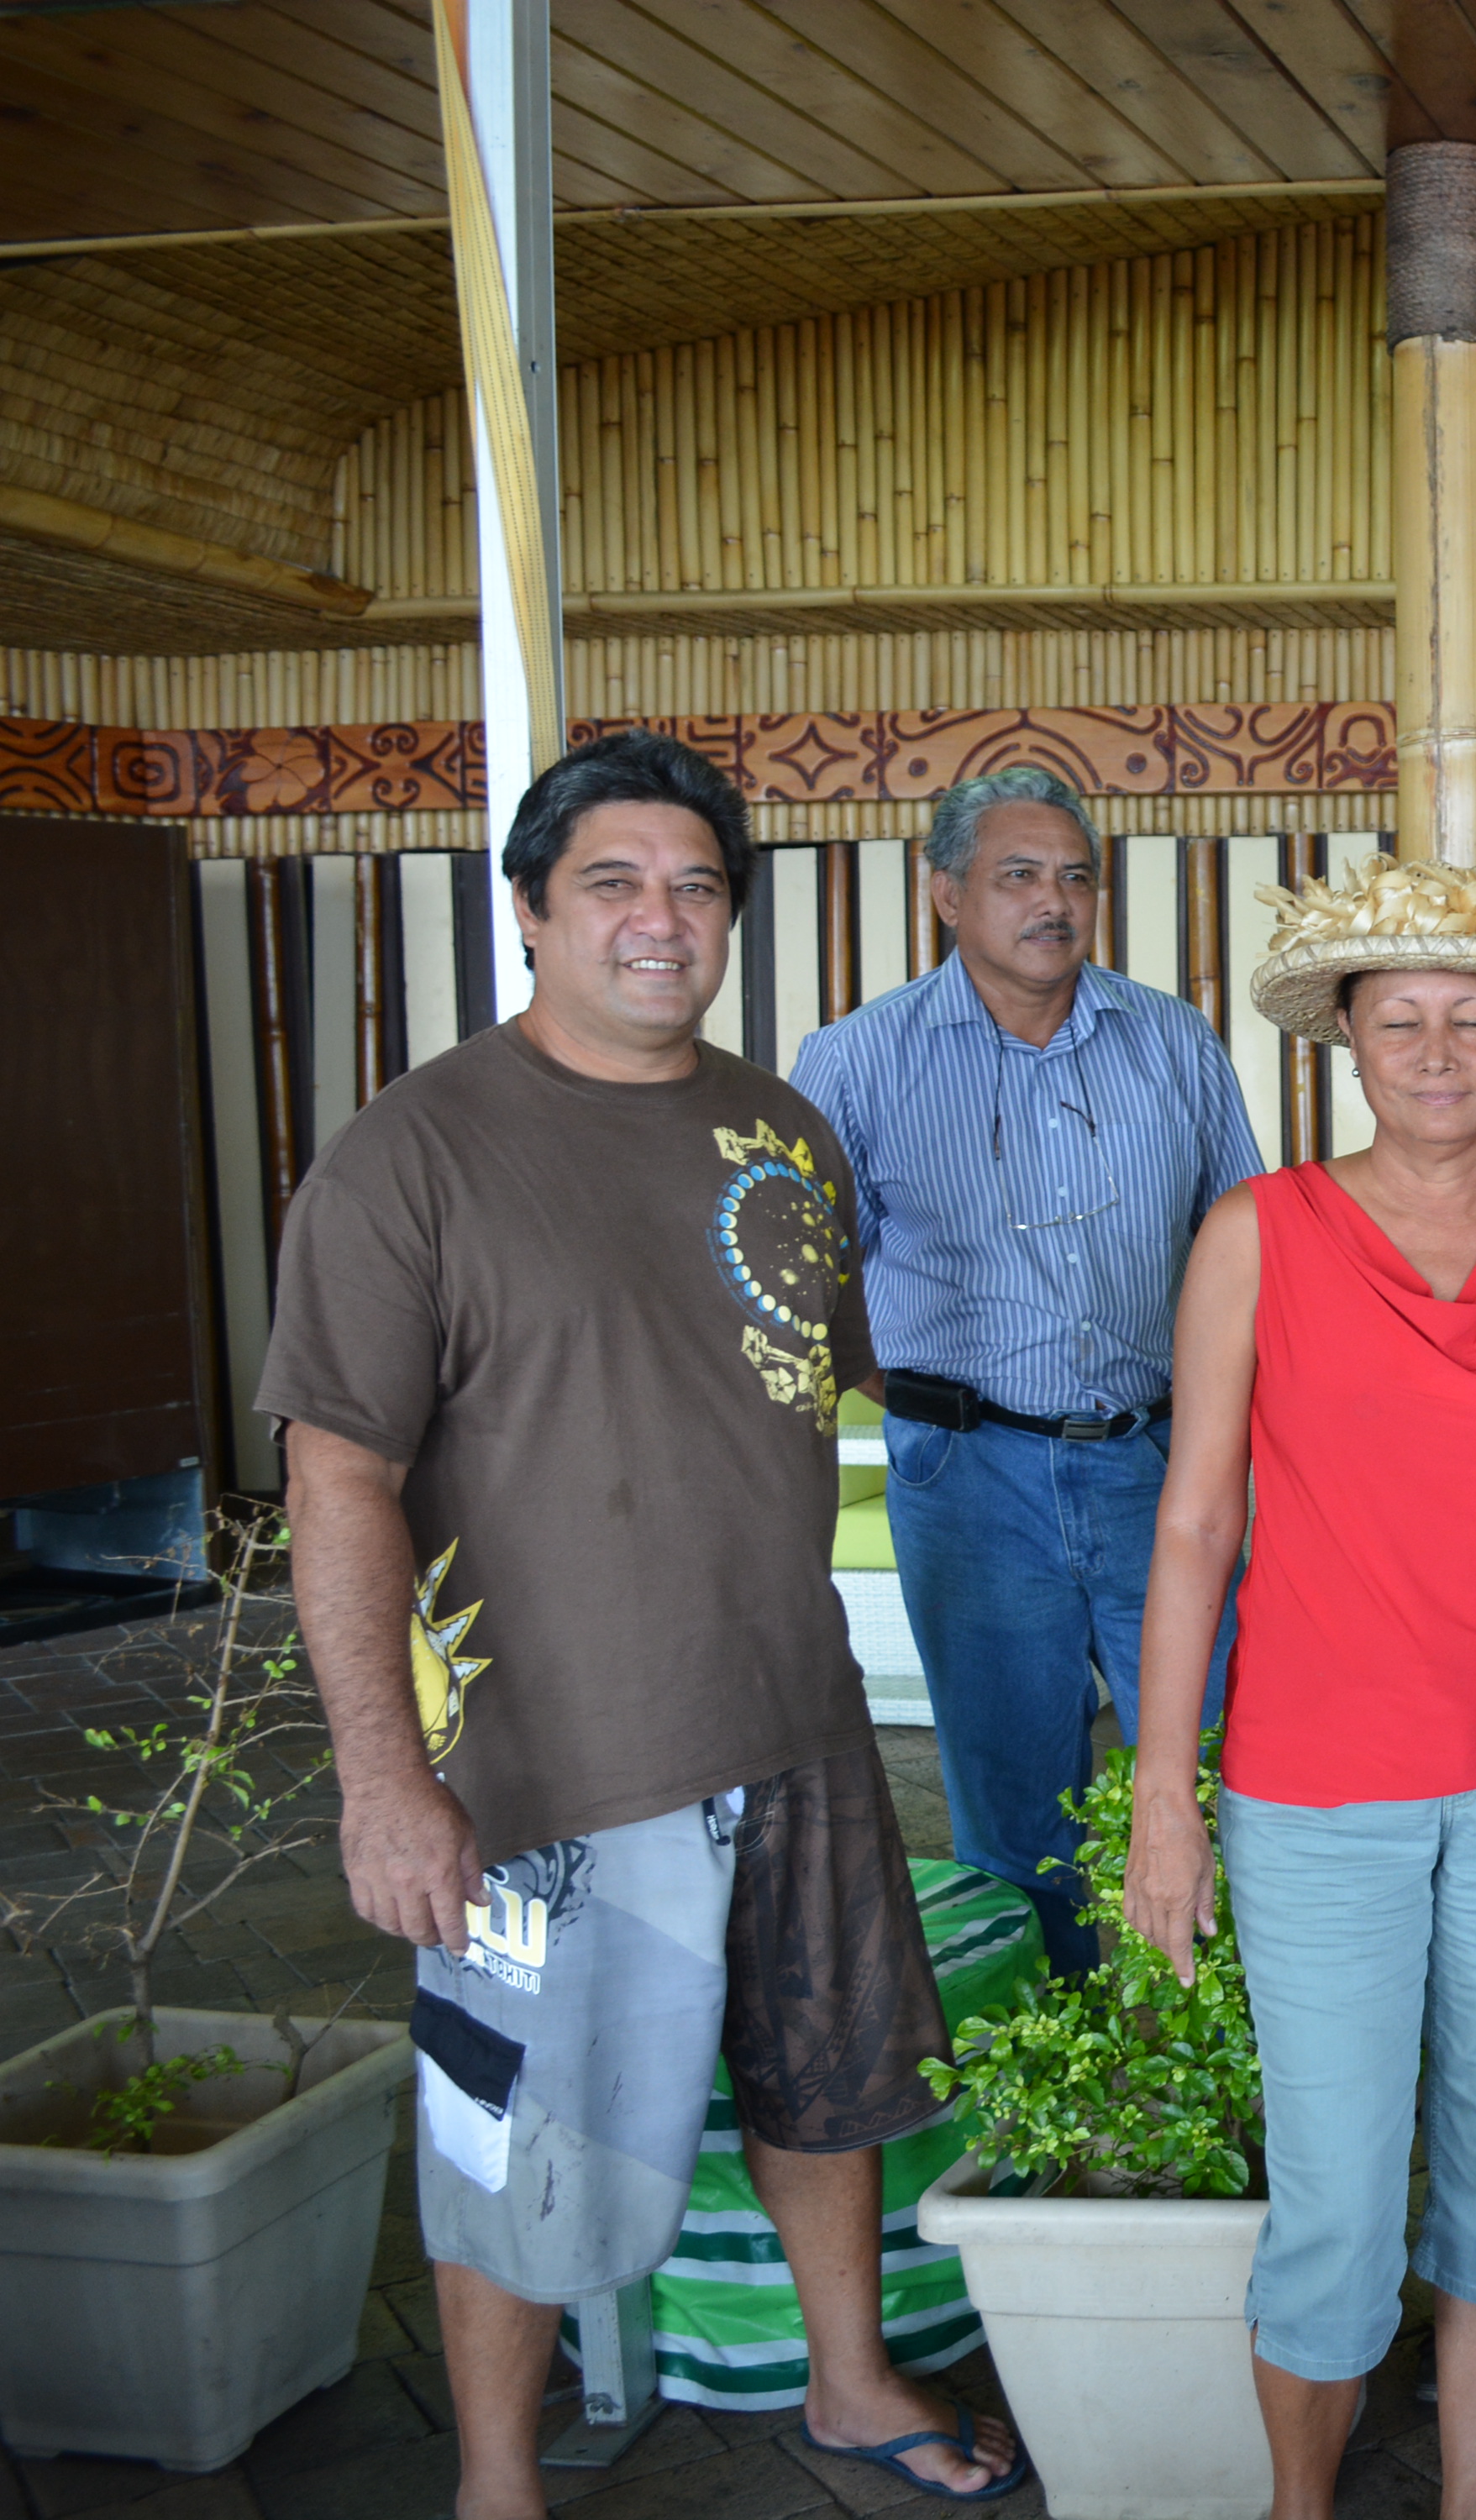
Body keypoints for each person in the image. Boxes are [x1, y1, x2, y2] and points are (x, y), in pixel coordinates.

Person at [266, 729, 1025, 2514]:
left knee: (828, 2087)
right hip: (554, 1764)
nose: (659, 919)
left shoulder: (781, 1127)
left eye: (695, 885)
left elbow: (764, 1406)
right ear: (531, 910)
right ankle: (501, 2479)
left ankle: (846, 2385)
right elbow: (337, 1488)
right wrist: (385, 1780)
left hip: (799, 1723)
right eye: (611, 882)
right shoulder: (410, 1157)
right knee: (517, 2143)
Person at [1121, 851, 1476, 2520]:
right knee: (1336, 2189)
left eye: (1475, 1020)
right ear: (1346, 1039)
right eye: (1401, 1019)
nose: (1438, 1050)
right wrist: (1166, 1801)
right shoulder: (1258, 1233)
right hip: (1315, 1790)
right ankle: (1304, 2506)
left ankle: (1469, 2498)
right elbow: (1198, 1522)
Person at [791, 764, 1263, 1977]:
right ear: (945, 891)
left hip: (1163, 1469)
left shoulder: (1172, 1038)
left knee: (1226, 1773)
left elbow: (1245, 1252)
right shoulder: (856, 1060)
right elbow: (798, 1275)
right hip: (969, 1477)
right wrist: (889, 1386)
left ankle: (1221, 2085)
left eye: (1075, 876)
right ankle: (1055, 2102)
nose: (1053, 901)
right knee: (1015, 1818)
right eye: (1018, 876)